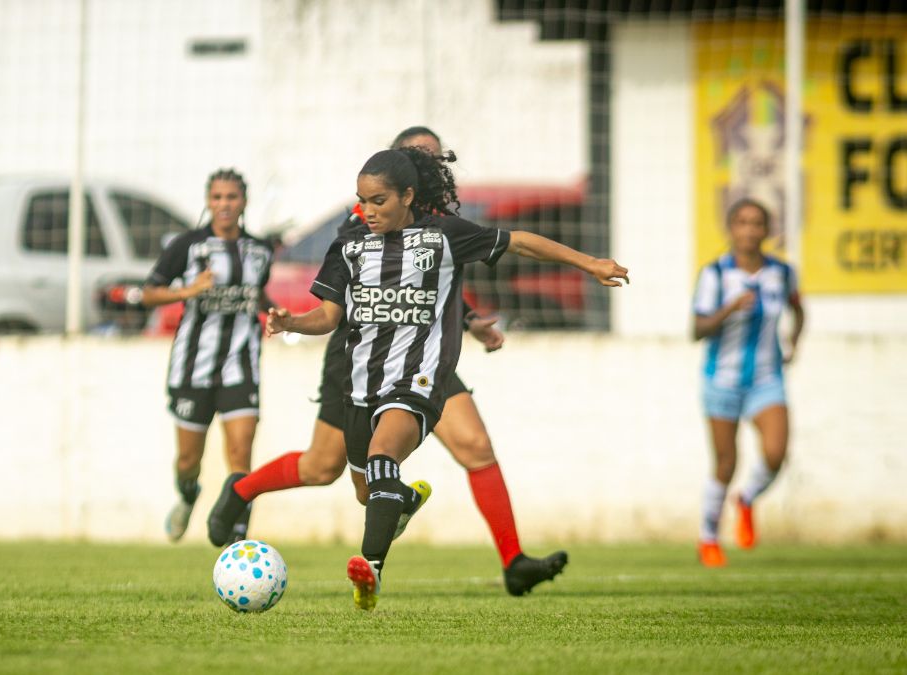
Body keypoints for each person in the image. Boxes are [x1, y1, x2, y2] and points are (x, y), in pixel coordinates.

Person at [208, 126, 569, 597]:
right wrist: (294, 320)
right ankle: (242, 489)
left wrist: (471, 320)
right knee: (324, 467)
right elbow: (369, 289)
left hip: (423, 357)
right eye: (418, 156)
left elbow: (434, 285)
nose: (429, 163)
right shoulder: (365, 223)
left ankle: (513, 560)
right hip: (357, 357)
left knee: (475, 446)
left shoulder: (441, 225)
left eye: (433, 157)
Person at [264, 147, 628, 610]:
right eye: (362, 201)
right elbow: (329, 316)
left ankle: (371, 571)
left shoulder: (443, 236)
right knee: (368, 491)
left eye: (378, 201)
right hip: (360, 386)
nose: (368, 211)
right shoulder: (349, 246)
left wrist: (590, 264)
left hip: (417, 380)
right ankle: (399, 501)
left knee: (382, 457)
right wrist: (293, 322)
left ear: (407, 196)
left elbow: (519, 241)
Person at [142, 169, 275, 544]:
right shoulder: (187, 246)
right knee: (188, 462)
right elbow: (149, 293)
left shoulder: (260, 250)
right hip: (193, 368)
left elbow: (257, 295)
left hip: (241, 364)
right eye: (217, 197)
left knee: (240, 453)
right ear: (208, 201)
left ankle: (237, 541)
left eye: (231, 197)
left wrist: (276, 314)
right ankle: (188, 495)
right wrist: (187, 291)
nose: (224, 204)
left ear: (244, 202)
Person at [692, 198, 804, 567]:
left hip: (766, 378)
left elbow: (798, 309)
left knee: (775, 453)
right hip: (722, 379)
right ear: (731, 228)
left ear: (767, 230)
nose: (750, 230)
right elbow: (697, 328)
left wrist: (793, 342)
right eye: (742, 222)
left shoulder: (781, 272)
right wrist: (729, 308)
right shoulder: (716, 274)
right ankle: (709, 538)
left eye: (757, 223)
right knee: (726, 462)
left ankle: (746, 499)